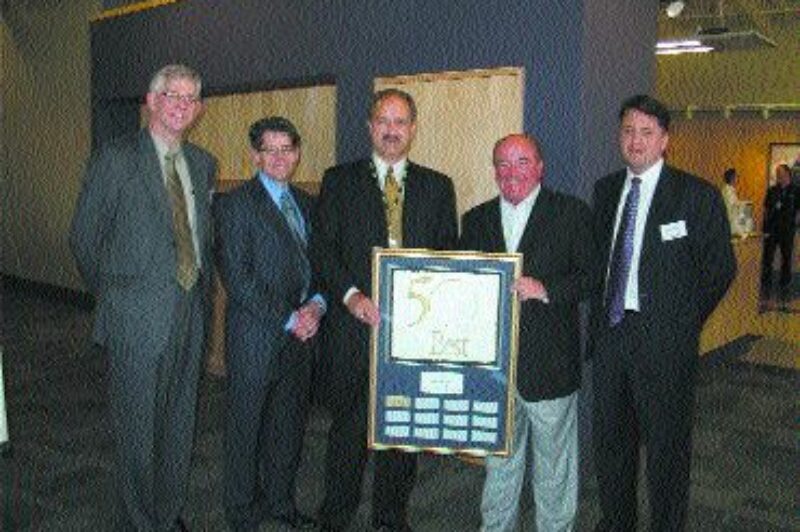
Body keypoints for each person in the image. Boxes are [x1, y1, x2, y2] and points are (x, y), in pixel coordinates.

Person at [70, 64, 217, 531]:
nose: (181, 105)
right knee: (136, 430)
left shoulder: (203, 163)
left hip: (189, 312)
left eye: (191, 98)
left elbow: (201, 238)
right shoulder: (115, 158)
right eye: (172, 95)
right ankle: (139, 522)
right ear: (151, 101)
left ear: (198, 109)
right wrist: (116, 297)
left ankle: (167, 513)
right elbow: (84, 238)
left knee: (178, 424)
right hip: (135, 317)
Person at [311, 88, 458, 532]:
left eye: (400, 122)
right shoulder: (338, 181)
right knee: (348, 431)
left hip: (412, 335)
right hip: (354, 329)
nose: (391, 130)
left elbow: (446, 256)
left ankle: (391, 518)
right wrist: (351, 296)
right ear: (369, 127)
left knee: (401, 431)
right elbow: (323, 251)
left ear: (413, 128)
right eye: (383, 121)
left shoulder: (438, 186)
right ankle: (336, 516)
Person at [590, 95, 736, 532]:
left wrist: (682, 323)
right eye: (628, 131)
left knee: (667, 453)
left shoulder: (696, 195)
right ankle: (617, 523)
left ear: (665, 140)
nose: (635, 141)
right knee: (612, 447)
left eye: (646, 132)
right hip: (613, 338)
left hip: (665, 347)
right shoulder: (605, 190)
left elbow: (720, 269)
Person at [459, 134, 595, 532]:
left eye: (522, 162)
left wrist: (546, 289)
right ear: (494, 171)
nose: (511, 172)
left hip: (550, 366)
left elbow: (592, 277)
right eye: (503, 163)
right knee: (499, 463)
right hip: (493, 371)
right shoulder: (476, 219)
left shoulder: (571, 213)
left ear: (540, 167)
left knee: (554, 468)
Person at [214, 117, 323, 531]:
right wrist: (290, 317)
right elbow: (237, 278)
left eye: (286, 149)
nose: (279, 157)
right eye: (269, 150)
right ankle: (242, 512)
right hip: (255, 337)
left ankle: (280, 502)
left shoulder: (308, 203)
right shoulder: (235, 204)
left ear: (297, 154)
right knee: (246, 429)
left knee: (288, 427)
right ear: (255, 156)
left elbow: (320, 265)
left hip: (301, 337)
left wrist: (317, 306)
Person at [761, 163, 798, 306]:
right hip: (772, 230)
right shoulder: (772, 190)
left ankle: (785, 284)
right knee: (767, 257)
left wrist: (795, 224)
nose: (778, 176)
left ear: (788, 174)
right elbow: (766, 210)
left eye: (780, 173)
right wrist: (765, 228)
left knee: (786, 257)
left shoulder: (796, 190)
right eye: (777, 174)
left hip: (787, 230)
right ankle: (766, 284)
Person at [721, 167, 742, 233]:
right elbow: (732, 207)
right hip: (731, 222)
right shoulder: (728, 191)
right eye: (736, 177)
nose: (737, 179)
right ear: (732, 178)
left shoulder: (727, 189)